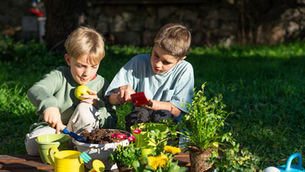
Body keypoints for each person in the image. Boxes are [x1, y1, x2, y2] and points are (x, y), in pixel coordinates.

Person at [25, 26, 116, 155]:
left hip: (84, 135)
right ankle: (75, 150)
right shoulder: (60, 76)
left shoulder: (101, 84)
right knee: (33, 146)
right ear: (68, 60)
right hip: (56, 130)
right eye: (81, 65)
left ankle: (80, 152)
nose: (87, 73)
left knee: (85, 108)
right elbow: (36, 89)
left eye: (94, 66)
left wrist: (98, 106)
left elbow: (112, 120)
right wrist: (49, 105)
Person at [105, 23, 194, 132]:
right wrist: (121, 95)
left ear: (180, 60)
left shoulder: (185, 69)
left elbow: (175, 110)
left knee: (163, 116)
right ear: (153, 46)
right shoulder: (138, 62)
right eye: (156, 55)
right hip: (141, 119)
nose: (158, 64)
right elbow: (110, 99)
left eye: (166, 62)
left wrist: (147, 102)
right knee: (138, 115)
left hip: (168, 126)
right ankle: (135, 145)